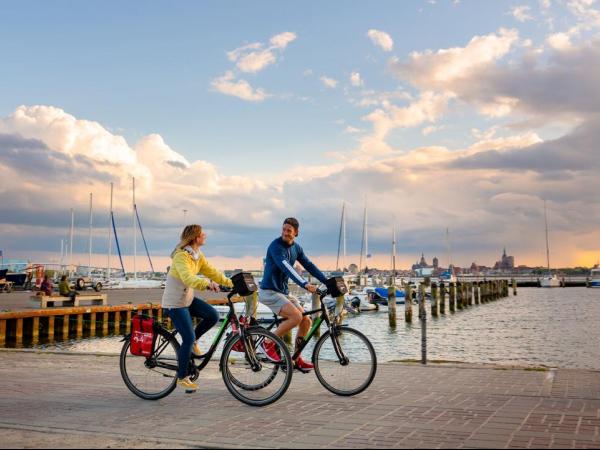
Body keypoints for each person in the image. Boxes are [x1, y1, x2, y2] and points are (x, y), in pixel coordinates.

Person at [161, 224, 233, 392]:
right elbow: (188, 278)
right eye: (202, 234)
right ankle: (182, 377)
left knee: (213, 316)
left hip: (187, 299)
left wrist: (231, 282)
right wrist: (207, 284)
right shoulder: (181, 256)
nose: (205, 235)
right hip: (174, 304)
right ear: (194, 237)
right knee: (187, 337)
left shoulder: (197, 255)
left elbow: (212, 272)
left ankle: (193, 342)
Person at [259, 217, 328, 371]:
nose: (285, 233)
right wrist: (304, 284)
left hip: (282, 293)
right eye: (283, 229)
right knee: (296, 316)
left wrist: (327, 281)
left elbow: (309, 265)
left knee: (306, 321)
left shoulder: (297, 248)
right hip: (269, 291)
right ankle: (267, 343)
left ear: (296, 233)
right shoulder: (275, 247)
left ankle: (295, 358)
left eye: (289, 230)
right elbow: (287, 268)